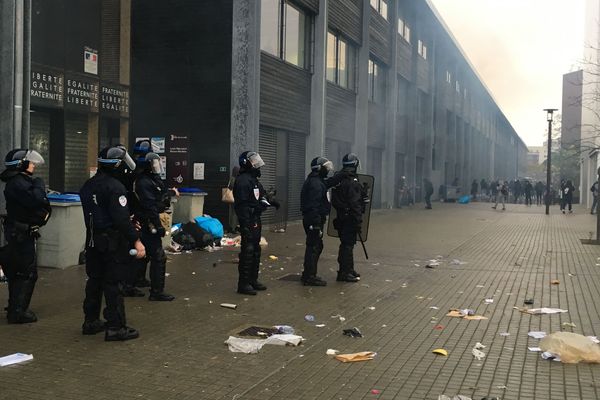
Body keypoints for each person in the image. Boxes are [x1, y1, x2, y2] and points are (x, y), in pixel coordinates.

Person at [80, 145, 146, 341]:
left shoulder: (88, 184)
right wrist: (136, 241)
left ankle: (90, 322)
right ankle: (116, 327)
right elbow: (121, 220)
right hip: (111, 242)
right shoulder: (115, 188)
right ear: (118, 165)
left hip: (92, 240)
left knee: (94, 281)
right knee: (113, 283)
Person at [0, 149, 51, 324]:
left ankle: (15, 306)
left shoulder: (19, 182)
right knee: (26, 272)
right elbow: (36, 199)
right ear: (21, 164)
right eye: (30, 162)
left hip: (20, 232)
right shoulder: (19, 183)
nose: (33, 165)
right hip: (21, 234)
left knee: (18, 271)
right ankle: (18, 311)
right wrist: (39, 184)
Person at [131, 145, 174, 301]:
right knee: (158, 257)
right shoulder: (143, 182)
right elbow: (150, 206)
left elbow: (160, 196)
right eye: (154, 164)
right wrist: (157, 225)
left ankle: (133, 283)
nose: (157, 166)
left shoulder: (149, 180)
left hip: (146, 222)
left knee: (144, 256)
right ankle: (157, 291)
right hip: (148, 223)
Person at [233, 151, 279, 295]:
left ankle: (253, 280)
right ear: (246, 162)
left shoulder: (253, 180)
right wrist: (245, 225)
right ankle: (244, 284)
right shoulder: (243, 181)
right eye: (253, 160)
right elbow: (242, 205)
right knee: (248, 251)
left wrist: (270, 201)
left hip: (255, 220)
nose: (257, 163)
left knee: (256, 251)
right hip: (248, 220)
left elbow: (261, 195)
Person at [300, 157, 345, 286]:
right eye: (326, 168)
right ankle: (309, 276)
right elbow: (313, 205)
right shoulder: (315, 183)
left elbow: (329, 183)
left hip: (315, 219)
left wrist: (341, 175)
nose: (328, 170)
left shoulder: (317, 181)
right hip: (313, 219)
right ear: (319, 169)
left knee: (316, 246)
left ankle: (309, 274)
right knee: (313, 247)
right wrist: (315, 224)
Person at [331, 153, 367, 283]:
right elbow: (355, 203)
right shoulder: (351, 182)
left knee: (347, 244)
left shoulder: (338, 179)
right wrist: (358, 220)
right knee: (347, 246)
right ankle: (344, 273)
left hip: (341, 217)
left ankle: (348, 269)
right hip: (350, 218)